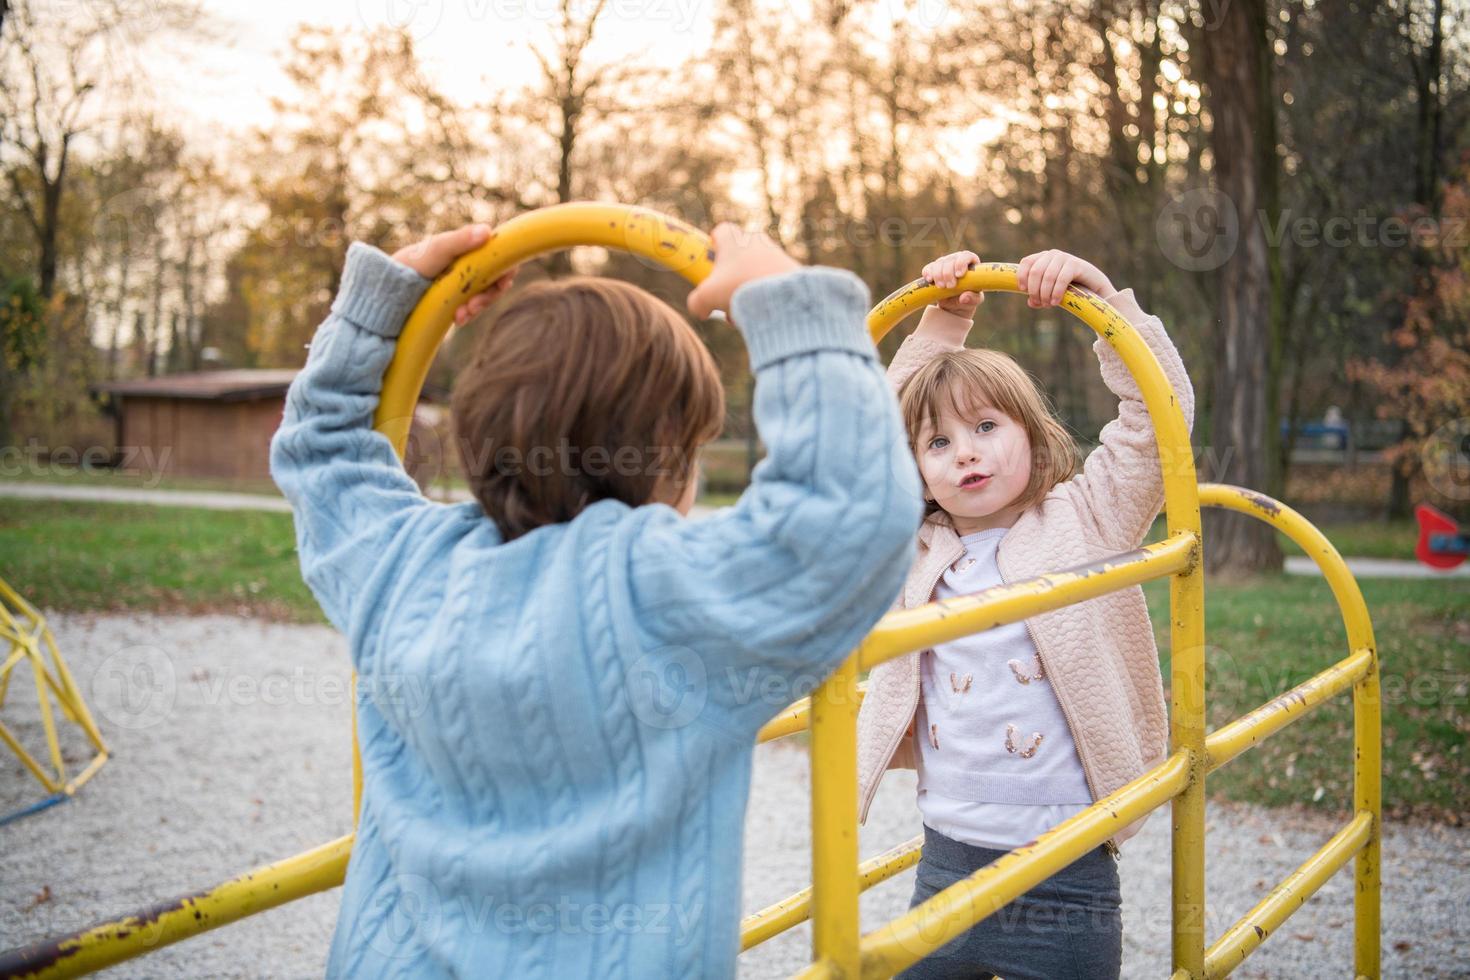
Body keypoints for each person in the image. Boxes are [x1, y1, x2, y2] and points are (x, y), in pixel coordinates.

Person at [269, 222, 923, 977]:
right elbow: (850, 512)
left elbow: (322, 446)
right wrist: (788, 302)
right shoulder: (671, 601)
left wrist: (386, 307)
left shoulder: (402, 569)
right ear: (669, 453)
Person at [855, 249, 1195, 980]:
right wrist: (944, 319)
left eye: (985, 427)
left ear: (1032, 434)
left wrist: (1105, 303)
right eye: (938, 443)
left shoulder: (1086, 518)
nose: (965, 454)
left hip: (1066, 877)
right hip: (946, 864)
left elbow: (1156, 422)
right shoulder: (917, 547)